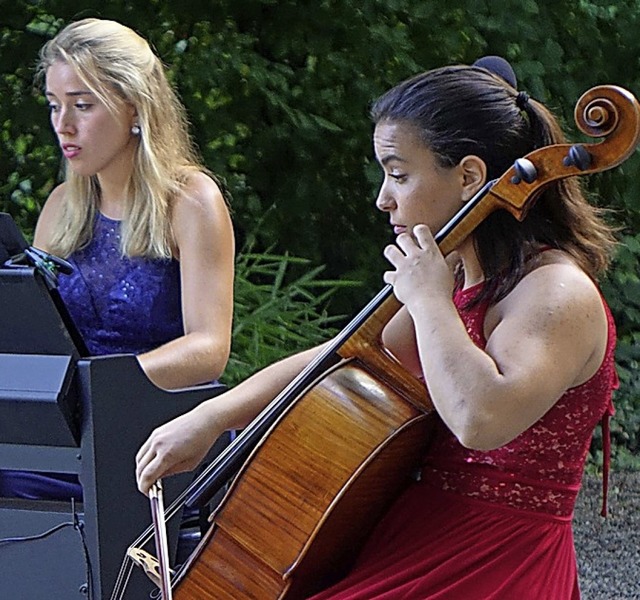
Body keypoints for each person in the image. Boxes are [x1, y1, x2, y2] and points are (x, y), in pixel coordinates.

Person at [135, 57, 619, 599]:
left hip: (495, 560)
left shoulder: (556, 293)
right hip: (418, 530)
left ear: (469, 177)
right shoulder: (459, 271)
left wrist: (431, 299)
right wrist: (209, 418)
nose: (382, 198)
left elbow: (482, 420)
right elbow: (347, 354)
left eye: (398, 173)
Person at [0, 18, 234, 502]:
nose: (63, 124)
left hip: (160, 433)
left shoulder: (191, 200)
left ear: (135, 109)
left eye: (82, 105)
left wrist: (96, 387)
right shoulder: (62, 205)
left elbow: (210, 347)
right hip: (73, 432)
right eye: (54, 105)